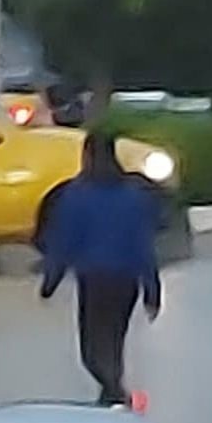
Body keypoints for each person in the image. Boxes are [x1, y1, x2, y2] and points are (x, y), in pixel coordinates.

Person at [35, 132, 165, 406]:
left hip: (94, 282)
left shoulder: (75, 195)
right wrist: (152, 291)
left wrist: (50, 282)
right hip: (125, 283)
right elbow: (144, 246)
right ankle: (113, 396)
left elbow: (64, 242)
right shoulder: (133, 196)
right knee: (113, 343)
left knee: (91, 351)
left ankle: (115, 393)